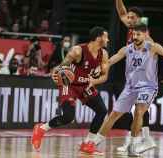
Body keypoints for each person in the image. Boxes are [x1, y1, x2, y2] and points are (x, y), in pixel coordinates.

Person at [80, 23, 163, 156]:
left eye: (138, 34)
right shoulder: (127, 49)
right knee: (113, 115)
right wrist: (100, 67)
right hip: (130, 87)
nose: (135, 37)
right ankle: (93, 143)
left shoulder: (153, 47)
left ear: (145, 34)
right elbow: (112, 59)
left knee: (139, 110)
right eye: (133, 34)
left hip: (147, 87)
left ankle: (133, 145)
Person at [31, 26, 110, 154]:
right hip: (70, 84)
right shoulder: (78, 51)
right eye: (106, 37)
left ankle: (88, 143)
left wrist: (94, 81)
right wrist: (56, 72)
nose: (108, 40)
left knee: (102, 111)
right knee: (68, 117)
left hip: (86, 85)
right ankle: (41, 128)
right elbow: (62, 66)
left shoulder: (104, 54)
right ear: (98, 38)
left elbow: (105, 76)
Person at [115, 0, 154, 153]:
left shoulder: (143, 32)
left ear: (137, 19)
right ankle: (145, 138)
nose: (128, 19)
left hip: (143, 74)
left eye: (131, 18)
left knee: (138, 108)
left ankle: (134, 142)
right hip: (134, 73)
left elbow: (152, 46)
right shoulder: (132, 26)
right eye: (129, 18)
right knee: (138, 108)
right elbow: (121, 12)